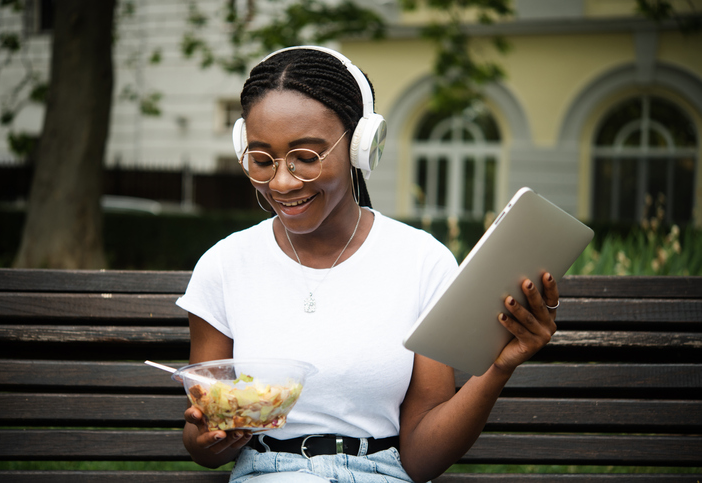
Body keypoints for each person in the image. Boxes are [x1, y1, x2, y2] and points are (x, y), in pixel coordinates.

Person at [176, 45, 558, 483]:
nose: (281, 182)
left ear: (361, 146)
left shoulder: (422, 261)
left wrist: (499, 366)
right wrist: (207, 438)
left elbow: (421, 458)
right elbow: (200, 442)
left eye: (306, 157)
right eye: (262, 160)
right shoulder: (224, 265)